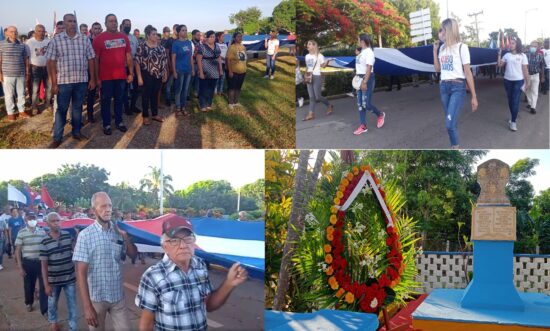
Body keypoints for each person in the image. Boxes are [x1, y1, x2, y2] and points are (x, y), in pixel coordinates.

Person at [135, 218, 248, 331]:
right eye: (174, 241)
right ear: (165, 246)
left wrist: (229, 283)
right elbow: (146, 325)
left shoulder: (200, 266)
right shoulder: (153, 276)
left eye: (188, 239)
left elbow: (209, 305)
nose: (183, 245)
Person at [73, 192, 137, 331]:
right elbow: (80, 273)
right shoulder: (85, 236)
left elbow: (133, 256)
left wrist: (125, 237)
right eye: (103, 206)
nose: (108, 209)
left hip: (117, 296)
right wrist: (87, 306)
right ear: (93, 210)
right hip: (97, 298)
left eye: (110, 205)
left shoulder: (119, 231)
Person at [46, 13, 96, 148]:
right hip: (64, 82)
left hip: (81, 81)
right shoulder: (56, 40)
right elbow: (50, 62)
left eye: (74, 21)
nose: (72, 23)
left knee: (77, 108)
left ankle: (76, 132)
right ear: (64, 23)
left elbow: (91, 59)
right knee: (61, 110)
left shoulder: (84, 39)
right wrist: (54, 83)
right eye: (69, 21)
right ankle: (57, 137)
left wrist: (92, 79)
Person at [433, 18, 478, 147]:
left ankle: (455, 147)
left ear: (449, 30)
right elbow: (437, 69)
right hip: (444, 87)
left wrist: (474, 96)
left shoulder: (462, 47)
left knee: (449, 124)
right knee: (451, 121)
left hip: (457, 87)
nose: (439, 33)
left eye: (441, 29)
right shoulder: (441, 49)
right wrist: (434, 51)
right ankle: (455, 142)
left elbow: (468, 72)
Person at [93, 14, 133, 135]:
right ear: (105, 24)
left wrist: (130, 73)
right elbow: (96, 60)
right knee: (105, 101)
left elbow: (129, 56)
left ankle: (119, 122)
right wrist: (96, 78)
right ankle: (107, 124)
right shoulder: (99, 39)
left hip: (121, 76)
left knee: (119, 100)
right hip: (106, 78)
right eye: (111, 21)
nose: (114, 23)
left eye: (115, 21)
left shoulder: (123, 37)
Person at [40, 212, 77, 331]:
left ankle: (73, 327)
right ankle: (53, 321)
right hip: (53, 280)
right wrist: (46, 285)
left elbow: (75, 251)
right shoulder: (44, 241)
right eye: (53, 221)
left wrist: (77, 236)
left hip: (69, 277)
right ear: (48, 224)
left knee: (72, 304)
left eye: (58, 220)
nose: (56, 223)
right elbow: (44, 265)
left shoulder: (67, 235)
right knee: (52, 304)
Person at [14, 212, 48, 316]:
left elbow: (46, 247)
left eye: (34, 218)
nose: (32, 220)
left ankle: (45, 309)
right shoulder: (21, 233)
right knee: (29, 285)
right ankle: (29, 302)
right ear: (26, 220)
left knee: (43, 285)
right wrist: (20, 267)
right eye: (30, 218)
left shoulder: (42, 232)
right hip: (28, 263)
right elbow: (18, 251)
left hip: (41, 262)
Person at [353, 33, 386, 136]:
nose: (358, 41)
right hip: (359, 78)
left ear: (362, 41)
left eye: (358, 40)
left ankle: (380, 114)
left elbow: (369, 68)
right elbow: (360, 66)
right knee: (360, 105)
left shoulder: (369, 52)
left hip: (367, 78)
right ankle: (363, 125)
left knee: (366, 104)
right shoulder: (361, 52)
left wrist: (364, 82)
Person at [136, 25, 169, 125]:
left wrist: (165, 73)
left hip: (158, 75)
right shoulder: (142, 47)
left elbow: (164, 61)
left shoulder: (161, 48)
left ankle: (155, 114)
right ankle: (145, 116)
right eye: (153, 34)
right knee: (146, 96)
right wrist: (139, 77)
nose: (156, 36)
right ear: (148, 35)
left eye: (156, 34)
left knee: (155, 95)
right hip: (146, 74)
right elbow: (137, 62)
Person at [498, 37, 529, 132]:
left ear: (517, 44)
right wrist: (499, 54)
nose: (510, 45)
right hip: (507, 81)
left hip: (518, 81)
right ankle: (512, 118)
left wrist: (527, 82)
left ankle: (513, 122)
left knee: (515, 101)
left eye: (513, 43)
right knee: (510, 100)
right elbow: (500, 65)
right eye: (510, 43)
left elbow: (525, 70)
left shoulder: (523, 56)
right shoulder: (507, 55)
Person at [0, 25, 30, 121]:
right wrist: (0, 74)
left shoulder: (22, 45)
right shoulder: (1, 44)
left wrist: (27, 72)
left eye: (16, 31)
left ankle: (21, 111)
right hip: (7, 74)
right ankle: (10, 112)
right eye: (12, 31)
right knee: (9, 95)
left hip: (20, 73)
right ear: (7, 33)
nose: (14, 33)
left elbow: (25, 59)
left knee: (21, 93)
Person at [302, 40, 334, 121]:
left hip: (316, 76)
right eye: (308, 44)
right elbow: (307, 67)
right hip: (309, 77)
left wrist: (327, 61)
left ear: (313, 46)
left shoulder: (319, 56)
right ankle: (311, 114)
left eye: (309, 44)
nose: (307, 45)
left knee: (318, 96)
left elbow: (323, 66)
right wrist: (305, 76)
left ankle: (329, 105)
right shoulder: (307, 56)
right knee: (311, 97)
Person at [26, 24, 51, 114]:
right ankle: (34, 107)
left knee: (48, 88)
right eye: (39, 31)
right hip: (35, 68)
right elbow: (27, 57)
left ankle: (48, 104)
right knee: (35, 89)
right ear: (35, 31)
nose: (41, 33)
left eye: (43, 31)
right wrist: (28, 70)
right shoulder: (30, 42)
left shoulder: (48, 41)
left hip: (46, 68)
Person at [171, 24, 194, 116]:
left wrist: (192, 69)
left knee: (185, 89)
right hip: (179, 70)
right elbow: (173, 59)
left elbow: (191, 57)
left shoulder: (188, 42)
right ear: (179, 32)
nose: (185, 32)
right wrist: (174, 71)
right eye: (183, 30)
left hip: (188, 70)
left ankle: (183, 107)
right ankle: (178, 107)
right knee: (178, 89)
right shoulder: (176, 43)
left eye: (186, 30)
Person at [196, 30, 222, 112]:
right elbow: (199, 59)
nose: (212, 38)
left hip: (214, 70)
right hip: (205, 70)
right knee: (203, 88)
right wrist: (200, 72)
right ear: (206, 38)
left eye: (214, 37)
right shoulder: (202, 47)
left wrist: (220, 69)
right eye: (211, 37)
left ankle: (209, 104)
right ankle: (202, 105)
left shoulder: (217, 46)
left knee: (211, 88)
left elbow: (219, 58)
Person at [121, 19, 141, 116]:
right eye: (126, 24)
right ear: (122, 25)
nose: (128, 26)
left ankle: (133, 106)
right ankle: (126, 107)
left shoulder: (133, 38)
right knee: (124, 88)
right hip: (123, 66)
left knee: (136, 88)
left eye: (129, 24)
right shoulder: (119, 37)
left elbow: (138, 51)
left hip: (133, 66)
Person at [86, 22, 102, 123]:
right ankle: (90, 114)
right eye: (95, 28)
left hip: (103, 69)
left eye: (98, 28)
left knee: (104, 93)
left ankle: (105, 112)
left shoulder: (103, 40)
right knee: (91, 94)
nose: (97, 30)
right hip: (90, 70)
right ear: (91, 30)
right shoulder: (87, 41)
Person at [226, 32, 248, 108]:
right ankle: (230, 103)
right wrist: (230, 71)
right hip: (234, 71)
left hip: (243, 71)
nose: (240, 38)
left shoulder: (243, 47)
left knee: (238, 87)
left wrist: (245, 68)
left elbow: (244, 59)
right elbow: (228, 60)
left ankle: (236, 102)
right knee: (232, 87)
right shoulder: (232, 47)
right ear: (235, 38)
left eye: (241, 36)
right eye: (238, 36)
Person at [525, 41, 545, 114]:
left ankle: (533, 107)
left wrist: (542, 76)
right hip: (527, 75)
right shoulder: (526, 55)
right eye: (532, 46)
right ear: (530, 47)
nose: (533, 47)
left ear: (538, 47)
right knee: (527, 90)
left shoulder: (540, 55)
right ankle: (530, 103)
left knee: (535, 91)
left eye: (535, 46)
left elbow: (542, 66)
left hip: (536, 75)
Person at [161, 25, 177, 107]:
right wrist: (169, 66)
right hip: (170, 65)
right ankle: (167, 99)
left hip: (178, 66)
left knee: (175, 83)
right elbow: (167, 54)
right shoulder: (168, 41)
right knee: (169, 84)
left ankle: (174, 98)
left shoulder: (179, 41)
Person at [190, 29, 202, 98]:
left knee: (198, 79)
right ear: (193, 35)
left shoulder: (200, 43)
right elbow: (190, 55)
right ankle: (187, 94)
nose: (199, 36)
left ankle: (196, 92)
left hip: (199, 64)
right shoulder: (190, 43)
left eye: (199, 35)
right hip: (192, 64)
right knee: (191, 80)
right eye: (198, 35)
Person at [215, 31, 227, 96]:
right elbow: (217, 54)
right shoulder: (216, 45)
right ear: (218, 37)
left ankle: (220, 91)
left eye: (224, 36)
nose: (223, 37)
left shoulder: (225, 44)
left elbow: (226, 53)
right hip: (217, 63)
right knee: (217, 77)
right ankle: (215, 91)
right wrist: (223, 58)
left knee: (222, 78)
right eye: (222, 36)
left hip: (224, 63)